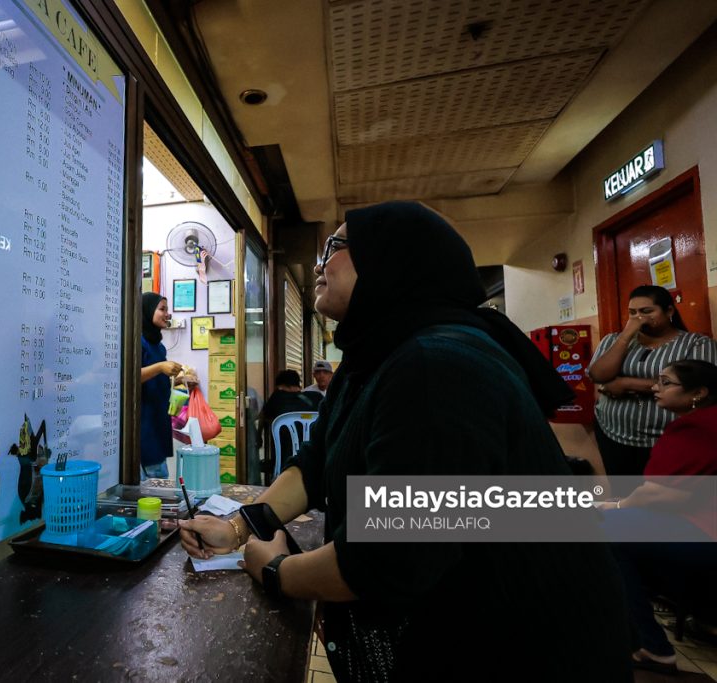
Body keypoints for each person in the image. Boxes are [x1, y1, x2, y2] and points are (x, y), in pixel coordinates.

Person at [179, 201, 631, 682]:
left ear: (392, 260)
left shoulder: (437, 365)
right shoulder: (371, 356)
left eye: (337, 246)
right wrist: (241, 527)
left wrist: (277, 571)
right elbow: (314, 465)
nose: (318, 262)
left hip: (523, 649)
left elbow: (386, 557)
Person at [598, 359, 717, 672]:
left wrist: (617, 506)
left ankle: (649, 645)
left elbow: (662, 495)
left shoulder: (696, 427)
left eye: (666, 382)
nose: (655, 387)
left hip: (704, 533)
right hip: (700, 526)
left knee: (600, 530)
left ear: (699, 392)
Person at [587, 285, 717, 495]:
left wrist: (625, 383)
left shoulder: (696, 344)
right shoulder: (613, 340)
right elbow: (598, 375)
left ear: (669, 311)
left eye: (647, 311)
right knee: (623, 493)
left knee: (656, 498)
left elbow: (695, 384)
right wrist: (626, 336)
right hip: (613, 432)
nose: (638, 318)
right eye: (632, 313)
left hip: (664, 437)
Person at [140, 293, 181, 480]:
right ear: (148, 311)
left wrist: (177, 379)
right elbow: (131, 377)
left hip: (159, 417)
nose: (167, 314)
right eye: (162, 309)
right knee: (155, 478)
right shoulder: (137, 342)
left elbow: (156, 377)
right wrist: (160, 367)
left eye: (167, 309)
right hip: (144, 419)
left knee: (159, 470)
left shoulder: (158, 345)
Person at [258, 370, 322, 480]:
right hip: (315, 464)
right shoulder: (317, 397)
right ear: (298, 384)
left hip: (285, 466)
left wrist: (258, 436)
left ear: (281, 386)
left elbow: (264, 418)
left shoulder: (277, 397)